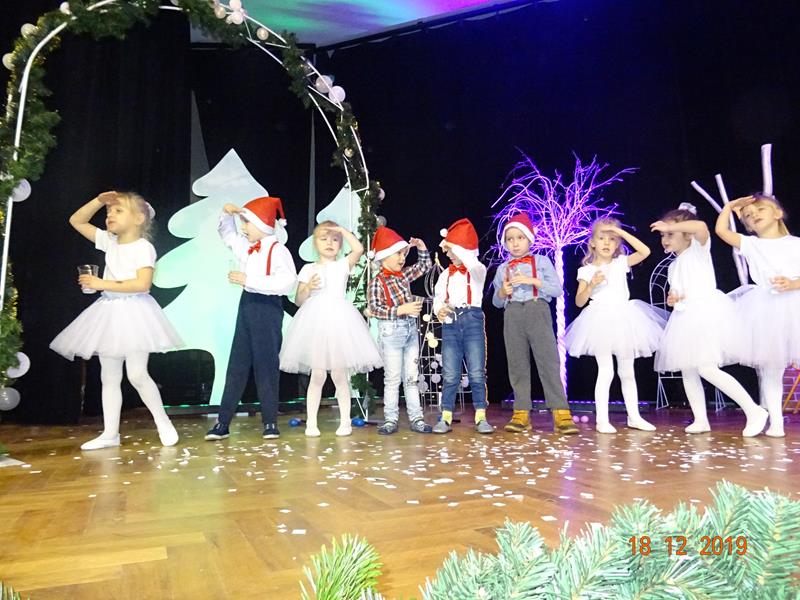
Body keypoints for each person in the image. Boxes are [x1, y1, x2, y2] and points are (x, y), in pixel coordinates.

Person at [51, 191, 183, 450]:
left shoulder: (143, 247)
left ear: (139, 218)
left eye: (118, 211)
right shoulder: (109, 241)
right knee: (109, 377)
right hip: (109, 312)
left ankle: (163, 422)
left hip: (135, 312)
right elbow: (77, 221)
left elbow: (142, 284)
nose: (110, 215)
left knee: (137, 373)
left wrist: (102, 283)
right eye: (109, 211)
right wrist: (99, 201)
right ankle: (110, 433)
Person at [651, 203, 768, 437]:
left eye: (670, 234)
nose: (665, 238)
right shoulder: (673, 266)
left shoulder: (698, 249)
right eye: (663, 235)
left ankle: (754, 410)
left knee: (706, 367)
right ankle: (700, 419)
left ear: (686, 234)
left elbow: (701, 226)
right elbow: (679, 292)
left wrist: (672, 226)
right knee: (688, 369)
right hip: (685, 317)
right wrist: (674, 298)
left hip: (706, 313)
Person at [205, 197, 297, 441]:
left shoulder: (279, 250)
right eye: (243, 222)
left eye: (247, 222)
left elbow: (288, 283)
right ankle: (223, 422)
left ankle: (270, 422)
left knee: (266, 365)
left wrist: (250, 280)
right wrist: (227, 214)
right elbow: (228, 235)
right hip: (247, 305)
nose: (243, 227)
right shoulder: (248, 246)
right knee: (237, 364)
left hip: (268, 308)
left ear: (263, 224)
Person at [280, 221, 382, 437]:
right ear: (315, 243)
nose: (329, 243)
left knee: (339, 374)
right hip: (315, 323)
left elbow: (359, 249)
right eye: (324, 239)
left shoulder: (343, 264)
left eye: (335, 240)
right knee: (317, 375)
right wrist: (307, 288)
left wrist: (342, 230)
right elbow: (298, 301)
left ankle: (345, 421)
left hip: (339, 322)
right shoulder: (308, 269)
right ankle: (311, 422)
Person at [565, 218, 665, 433]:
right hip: (599, 321)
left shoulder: (620, 263)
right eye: (601, 238)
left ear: (618, 243)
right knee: (606, 371)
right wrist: (591, 285)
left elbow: (645, 251)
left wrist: (622, 233)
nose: (606, 242)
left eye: (612, 239)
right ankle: (602, 420)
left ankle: (634, 417)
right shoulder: (586, 270)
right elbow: (579, 302)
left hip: (624, 319)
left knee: (627, 372)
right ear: (592, 243)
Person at [715, 193, 800, 437]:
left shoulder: (796, 244)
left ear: (778, 213)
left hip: (794, 304)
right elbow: (721, 231)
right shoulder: (751, 244)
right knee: (772, 369)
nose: (754, 215)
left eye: (761, 209)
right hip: (766, 309)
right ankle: (776, 423)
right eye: (748, 216)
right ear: (748, 226)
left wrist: (793, 284)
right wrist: (729, 207)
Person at [491, 213, 578, 435]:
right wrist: (502, 292)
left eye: (520, 238)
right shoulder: (503, 268)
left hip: (537, 309)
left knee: (548, 361)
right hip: (513, 314)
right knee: (517, 364)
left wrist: (533, 281)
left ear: (529, 239)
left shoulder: (541, 262)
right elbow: (496, 302)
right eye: (510, 239)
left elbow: (557, 290)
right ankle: (521, 412)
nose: (515, 243)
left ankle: (561, 412)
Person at [367, 226, 433, 434]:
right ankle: (390, 419)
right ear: (384, 256)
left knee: (412, 378)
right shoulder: (377, 282)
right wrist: (400, 309)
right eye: (398, 254)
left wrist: (421, 247)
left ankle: (417, 418)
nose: (402, 258)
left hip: (410, 331)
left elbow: (424, 266)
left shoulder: (403, 276)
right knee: (393, 379)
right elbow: (375, 308)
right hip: (391, 333)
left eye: (404, 254)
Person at [431, 219, 493, 434]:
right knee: (450, 374)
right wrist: (439, 310)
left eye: (451, 250)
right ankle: (446, 416)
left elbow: (472, 263)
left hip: (472, 321)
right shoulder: (445, 275)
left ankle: (481, 416)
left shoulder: (477, 270)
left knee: (476, 372)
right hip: (451, 324)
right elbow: (438, 298)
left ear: (462, 249)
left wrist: (456, 245)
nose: (448, 253)